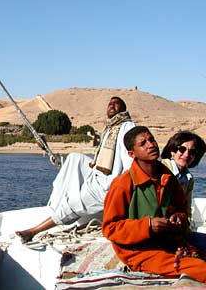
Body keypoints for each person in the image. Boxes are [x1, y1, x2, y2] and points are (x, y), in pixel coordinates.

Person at [16, 96, 135, 242]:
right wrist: (55, 156)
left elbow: (131, 163)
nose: (112, 105)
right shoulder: (110, 128)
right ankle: (57, 205)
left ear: (123, 109)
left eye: (116, 104)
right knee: (74, 158)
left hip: (109, 185)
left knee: (73, 203)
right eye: (110, 103)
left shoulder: (126, 127)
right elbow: (100, 160)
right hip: (99, 174)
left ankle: (33, 231)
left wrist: (120, 190)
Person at [102, 126, 206, 283]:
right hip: (140, 251)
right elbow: (110, 228)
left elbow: (181, 209)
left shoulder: (167, 177)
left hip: (168, 242)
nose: (151, 145)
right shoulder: (123, 185)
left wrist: (178, 218)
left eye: (152, 139)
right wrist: (148, 226)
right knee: (201, 269)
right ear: (132, 154)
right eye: (143, 143)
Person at [161, 131, 206, 222]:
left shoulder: (189, 179)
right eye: (182, 149)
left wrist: (186, 229)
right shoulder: (161, 170)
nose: (186, 155)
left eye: (192, 152)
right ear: (172, 151)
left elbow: (186, 208)